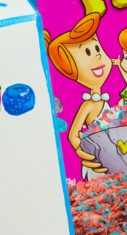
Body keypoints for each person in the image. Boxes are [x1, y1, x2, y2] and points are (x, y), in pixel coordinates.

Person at [44, 13, 112, 180]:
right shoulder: (89, 105)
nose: (97, 56)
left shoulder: (104, 99)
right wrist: (86, 154)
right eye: (88, 52)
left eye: (98, 49)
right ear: (69, 69)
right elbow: (73, 134)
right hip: (99, 162)